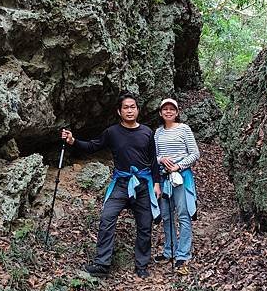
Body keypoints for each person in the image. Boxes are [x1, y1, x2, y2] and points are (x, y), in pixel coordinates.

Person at [61, 91, 161, 279]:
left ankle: (141, 265)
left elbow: (154, 161)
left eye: (133, 107)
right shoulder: (112, 132)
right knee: (107, 218)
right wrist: (73, 141)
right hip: (121, 183)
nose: (130, 111)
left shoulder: (147, 132)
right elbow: (92, 146)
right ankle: (102, 264)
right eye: (126, 107)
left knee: (145, 225)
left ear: (138, 110)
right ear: (119, 111)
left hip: (143, 184)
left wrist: (157, 183)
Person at [154, 98, 199, 274]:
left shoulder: (184, 129)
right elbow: (155, 155)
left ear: (177, 112)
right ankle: (169, 251)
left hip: (181, 176)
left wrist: (179, 166)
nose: (168, 111)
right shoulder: (157, 133)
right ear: (160, 113)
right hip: (164, 177)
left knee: (183, 213)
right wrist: (161, 160)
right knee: (166, 215)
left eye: (172, 109)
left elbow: (195, 153)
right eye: (165, 109)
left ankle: (183, 254)